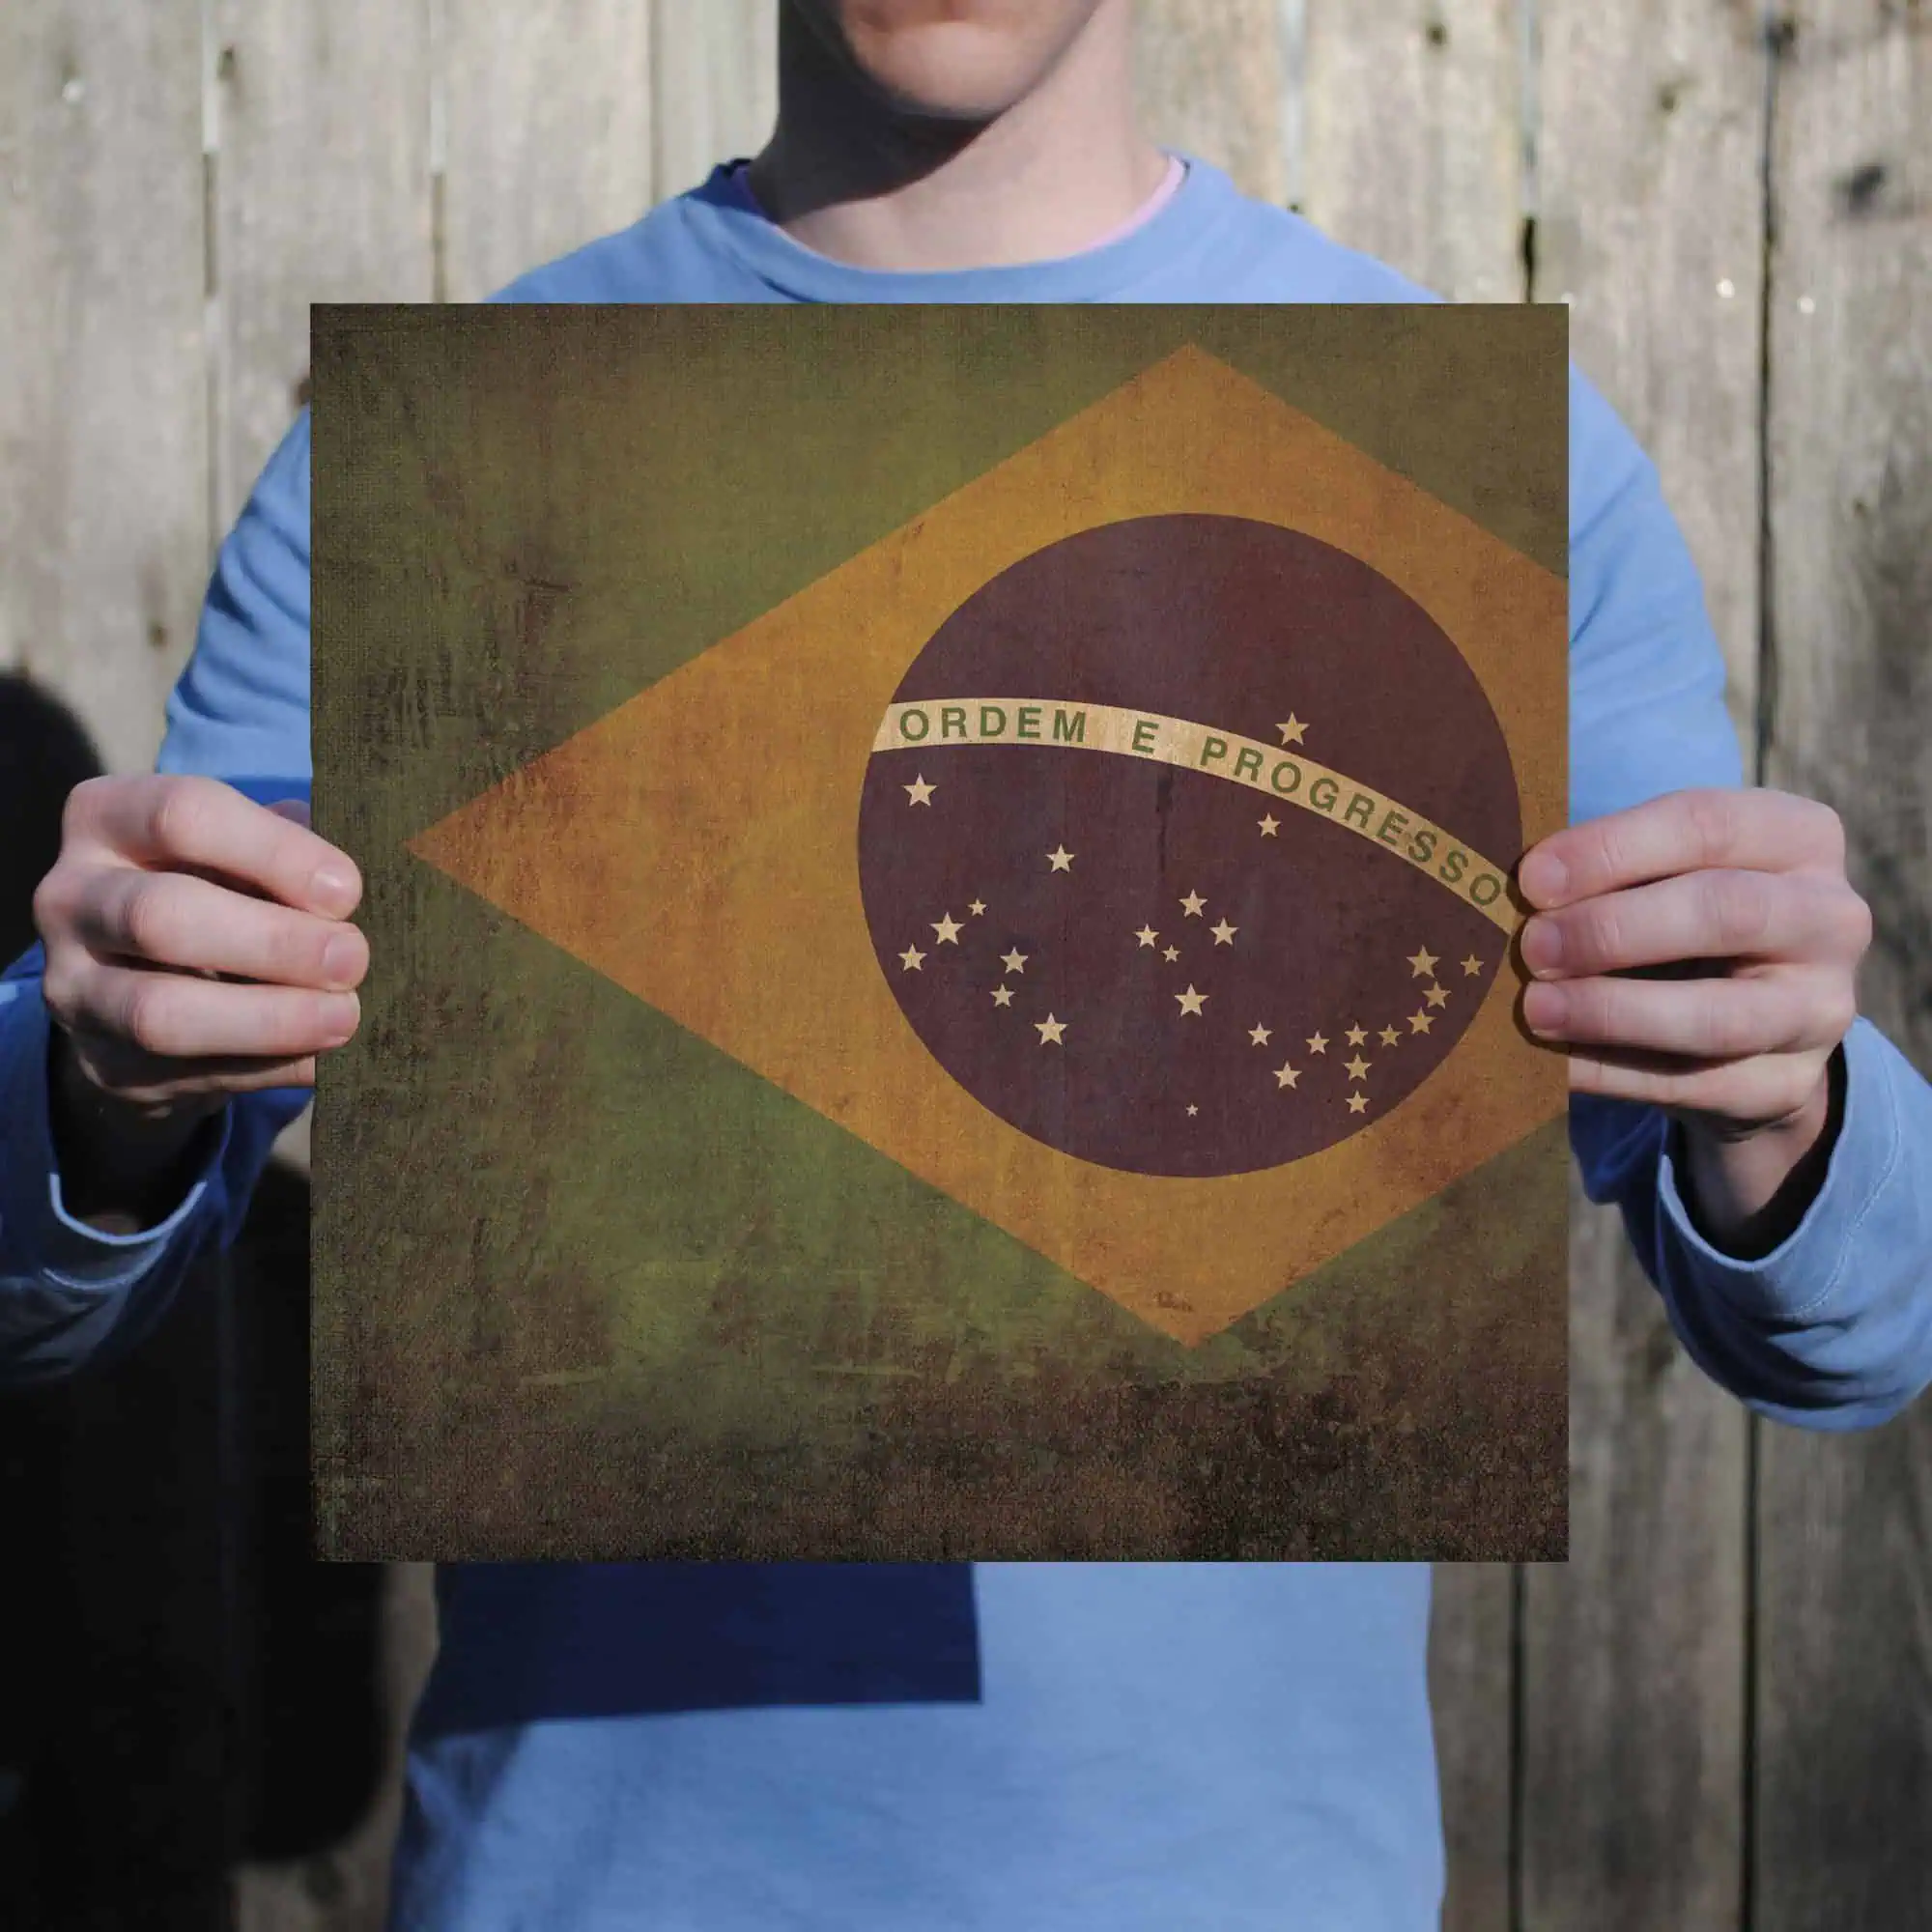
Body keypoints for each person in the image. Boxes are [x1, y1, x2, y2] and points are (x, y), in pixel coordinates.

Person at [4, 2, 1929, 1925]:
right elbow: (45, 1296)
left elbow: (1857, 1324)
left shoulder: (1488, 470)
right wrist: (96, 1081)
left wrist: (1787, 1096)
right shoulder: (426, 470)